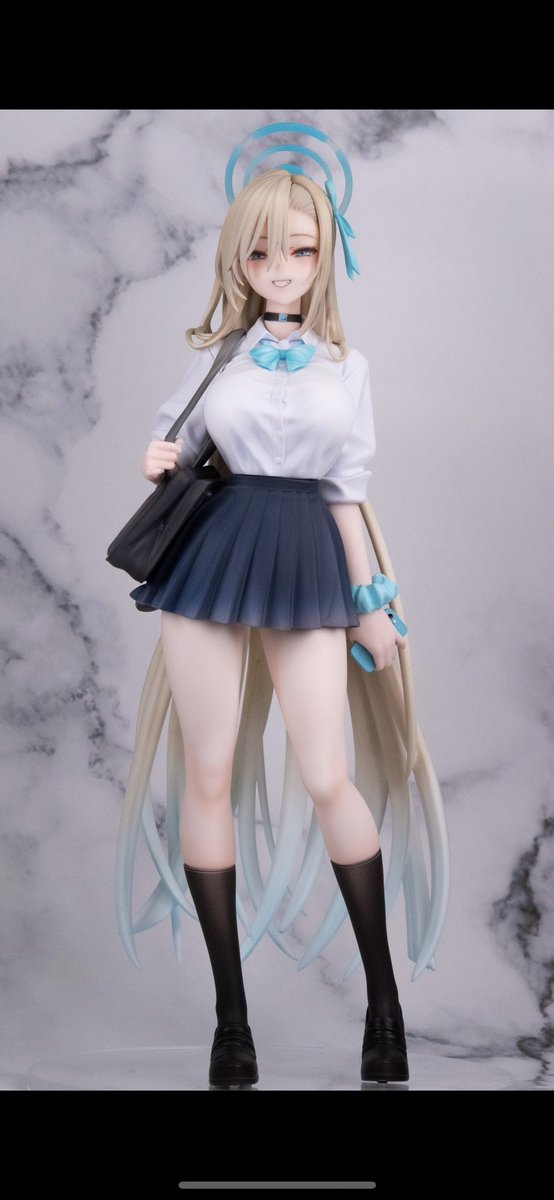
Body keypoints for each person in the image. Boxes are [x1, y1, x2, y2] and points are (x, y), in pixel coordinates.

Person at [114, 130, 449, 1090]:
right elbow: (171, 443)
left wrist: (373, 603)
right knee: (208, 773)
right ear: (239, 258)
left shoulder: (348, 365)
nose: (281, 267)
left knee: (328, 774)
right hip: (214, 556)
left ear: (326, 252)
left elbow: (346, 492)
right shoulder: (220, 357)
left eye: (300, 249)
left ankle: (384, 1007)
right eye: (262, 251)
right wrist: (157, 456)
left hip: (307, 557)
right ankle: (232, 1023)